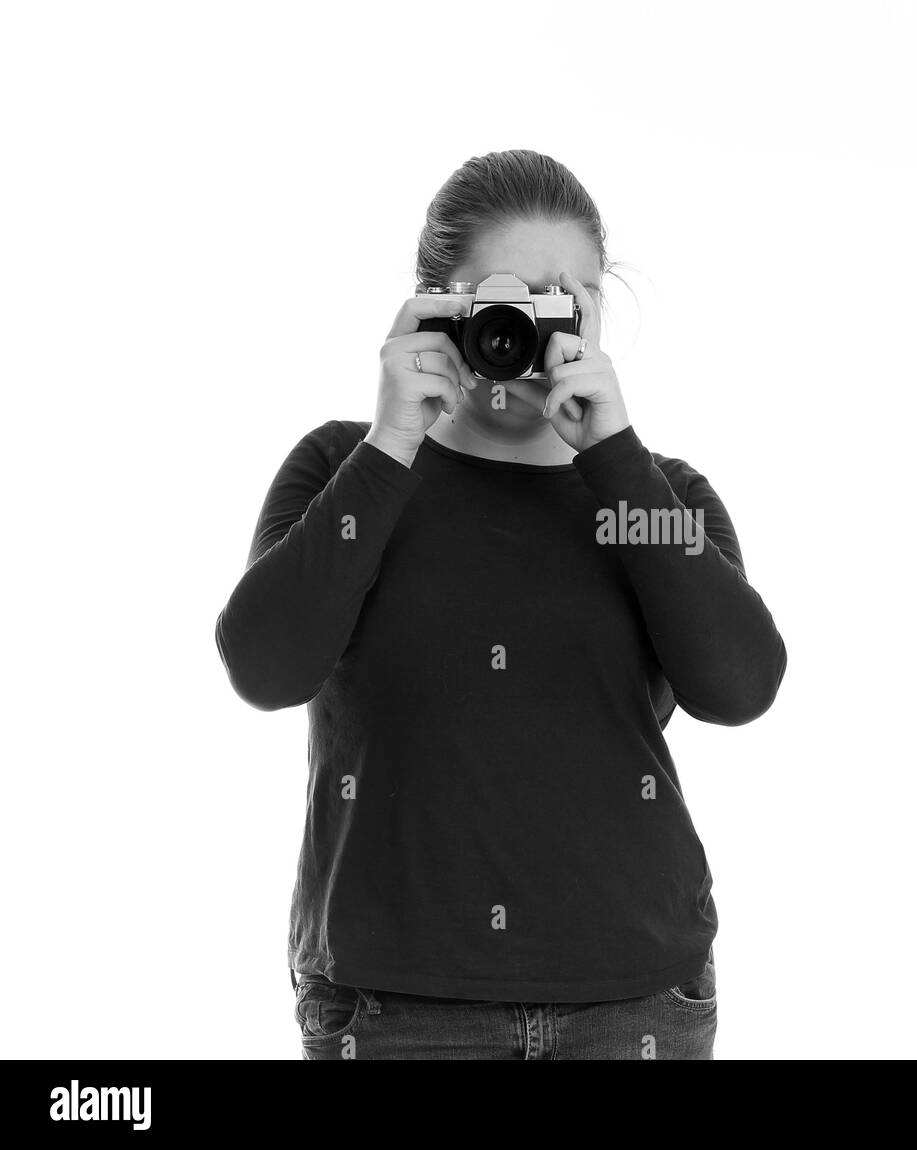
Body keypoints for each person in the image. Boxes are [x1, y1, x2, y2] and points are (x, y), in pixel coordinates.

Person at [214, 148, 788, 1059]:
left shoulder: (654, 496)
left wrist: (616, 455)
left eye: (571, 302)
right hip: (390, 1004)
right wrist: (392, 440)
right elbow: (265, 666)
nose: (533, 334)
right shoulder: (342, 469)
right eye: (506, 302)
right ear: (436, 307)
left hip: (634, 1001)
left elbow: (740, 685)